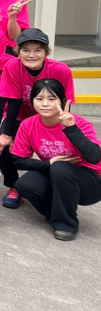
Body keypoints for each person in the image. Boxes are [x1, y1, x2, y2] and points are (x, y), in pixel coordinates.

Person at [11, 79, 101, 241]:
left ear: (63, 102)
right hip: (57, 174)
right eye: (39, 99)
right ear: (32, 102)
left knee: (60, 168)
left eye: (51, 99)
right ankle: (55, 212)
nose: (45, 104)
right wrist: (48, 164)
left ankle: (66, 224)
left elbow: (94, 157)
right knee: (24, 185)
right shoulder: (28, 125)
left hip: (91, 182)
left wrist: (71, 129)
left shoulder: (79, 123)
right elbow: (19, 160)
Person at [0, 28, 75, 209]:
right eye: (26, 50)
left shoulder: (60, 70)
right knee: (3, 148)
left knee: (60, 150)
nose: (31, 55)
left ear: (46, 52)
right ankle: (14, 186)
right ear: (18, 52)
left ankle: (54, 182)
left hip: (53, 118)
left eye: (37, 50)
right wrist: (7, 134)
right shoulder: (12, 66)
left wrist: (67, 128)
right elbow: (14, 100)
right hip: (19, 115)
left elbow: (66, 103)